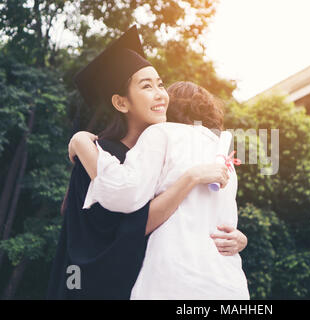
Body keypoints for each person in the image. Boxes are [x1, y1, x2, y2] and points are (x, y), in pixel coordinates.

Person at [47, 26, 247, 300]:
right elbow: (123, 230)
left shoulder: (162, 151)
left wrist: (237, 237)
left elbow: (190, 217)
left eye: (160, 84)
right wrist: (189, 178)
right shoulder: (101, 156)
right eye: (146, 86)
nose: (160, 94)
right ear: (121, 102)